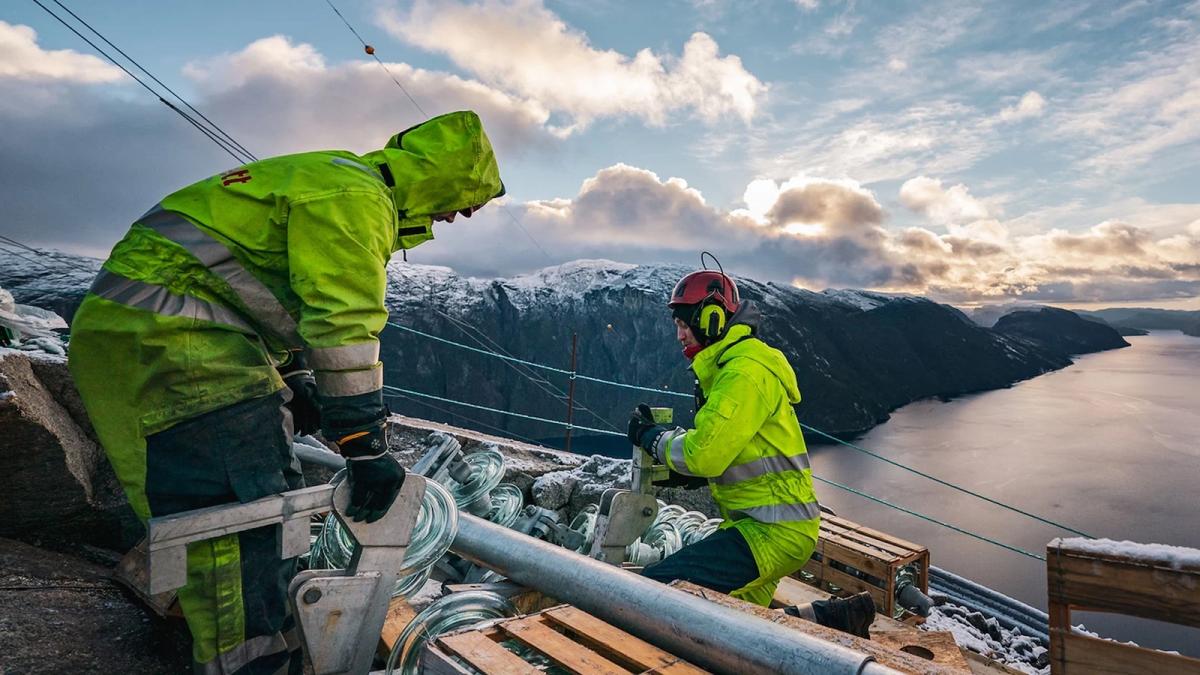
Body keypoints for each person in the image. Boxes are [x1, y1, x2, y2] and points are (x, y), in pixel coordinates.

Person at [67, 110, 504, 674]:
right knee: (244, 516)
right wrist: (365, 445)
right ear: (443, 178)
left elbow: (269, 296)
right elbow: (344, 326)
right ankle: (252, 664)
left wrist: (298, 379)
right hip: (183, 345)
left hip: (145, 336)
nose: (457, 215)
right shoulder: (355, 198)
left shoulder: (328, 178)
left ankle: (184, 611)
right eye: (464, 200)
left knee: (200, 501)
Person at [627, 263, 876, 637]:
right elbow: (734, 452)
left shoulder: (743, 373)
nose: (678, 334)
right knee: (742, 627)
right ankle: (834, 620)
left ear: (711, 319)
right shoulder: (733, 367)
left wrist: (652, 438)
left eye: (683, 322)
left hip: (770, 532)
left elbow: (704, 453)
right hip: (769, 527)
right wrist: (693, 471)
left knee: (653, 595)